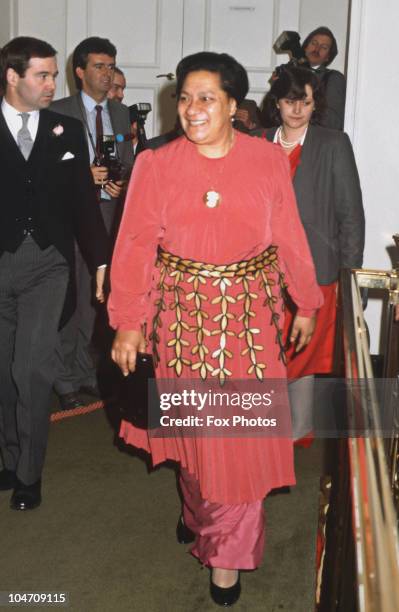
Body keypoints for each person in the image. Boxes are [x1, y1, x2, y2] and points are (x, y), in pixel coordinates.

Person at [108, 51, 323, 606]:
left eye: (206, 98)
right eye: (184, 97)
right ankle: (199, 514)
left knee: (237, 443)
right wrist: (128, 323)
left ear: (233, 104)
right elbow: (133, 246)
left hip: (249, 326)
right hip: (178, 321)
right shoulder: (157, 164)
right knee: (195, 438)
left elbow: (290, 235)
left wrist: (305, 301)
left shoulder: (266, 161)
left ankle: (227, 557)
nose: (193, 108)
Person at [0, 36, 108, 510]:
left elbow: (85, 206)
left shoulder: (65, 130)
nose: (51, 83)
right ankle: (9, 456)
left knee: (32, 367)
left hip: (48, 266)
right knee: (5, 373)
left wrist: (101, 261)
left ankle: (29, 473)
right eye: (41, 75)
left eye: (52, 74)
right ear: (12, 77)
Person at [263, 65, 364, 441]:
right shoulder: (256, 142)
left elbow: (351, 216)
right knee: (266, 354)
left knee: (303, 355)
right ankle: (268, 431)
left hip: (316, 271)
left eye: (305, 101)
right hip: (261, 272)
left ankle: (295, 431)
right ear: (277, 103)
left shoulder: (333, 143)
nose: (298, 109)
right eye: (290, 101)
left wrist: (349, 280)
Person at [51, 37, 134, 409]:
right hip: (69, 216)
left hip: (107, 215)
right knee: (68, 297)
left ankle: (85, 372)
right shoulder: (57, 111)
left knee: (96, 299)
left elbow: (130, 162)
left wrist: (121, 181)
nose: (107, 73)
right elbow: (43, 168)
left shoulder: (121, 113)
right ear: (80, 71)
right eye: (99, 66)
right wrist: (82, 175)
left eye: (111, 66)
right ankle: (63, 377)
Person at [302, 26, 346, 130]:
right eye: (314, 43)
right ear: (305, 47)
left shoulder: (334, 78)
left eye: (324, 47)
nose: (316, 49)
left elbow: (332, 122)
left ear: (328, 57)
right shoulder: (289, 73)